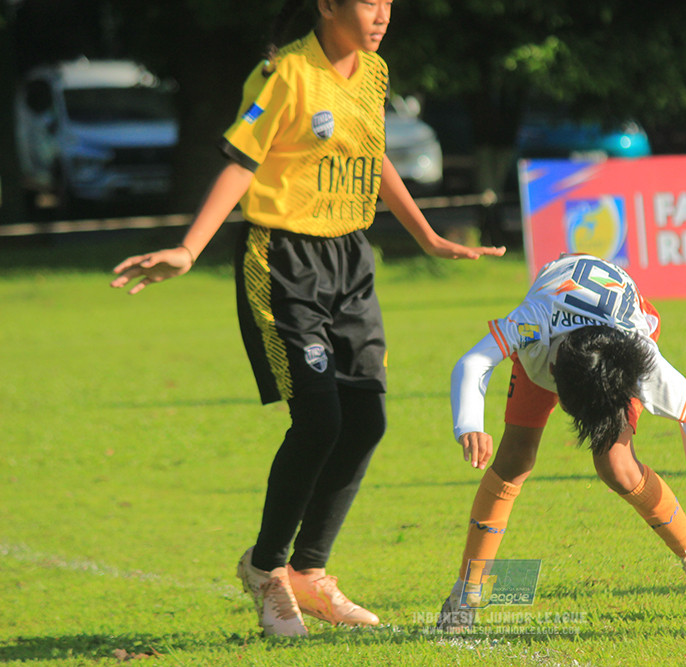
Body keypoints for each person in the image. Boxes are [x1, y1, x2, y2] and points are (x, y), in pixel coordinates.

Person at [111, 0, 505, 637]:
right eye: (368, 1)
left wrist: (428, 236)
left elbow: (372, 158)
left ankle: (310, 576)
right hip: (283, 259)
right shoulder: (284, 74)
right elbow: (242, 162)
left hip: (352, 259)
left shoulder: (374, 71)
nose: (382, 13)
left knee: (367, 419)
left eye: (388, 2)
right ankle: (266, 569)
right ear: (327, 5)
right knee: (320, 417)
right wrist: (189, 248)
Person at [435, 253, 686, 631]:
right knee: (514, 459)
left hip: (612, 342)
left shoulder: (639, 357)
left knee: (616, 465)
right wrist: (469, 424)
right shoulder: (534, 324)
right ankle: (465, 595)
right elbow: (473, 363)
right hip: (554, 329)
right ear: (552, 371)